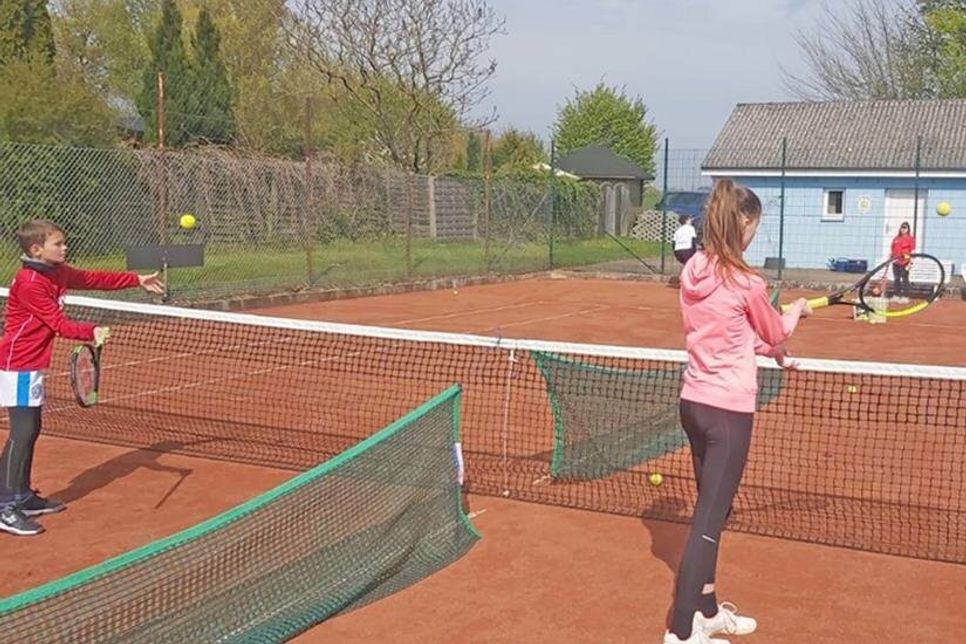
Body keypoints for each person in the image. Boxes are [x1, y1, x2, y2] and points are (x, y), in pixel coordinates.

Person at [666, 180, 810, 644]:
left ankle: (706, 610)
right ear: (743, 224)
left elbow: (733, 334)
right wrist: (796, 313)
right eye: (755, 227)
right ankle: (682, 632)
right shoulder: (749, 283)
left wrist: (772, 351)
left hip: (694, 404)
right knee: (708, 522)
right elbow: (775, 326)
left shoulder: (693, 273)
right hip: (728, 415)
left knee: (716, 511)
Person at [0, 219, 164, 536]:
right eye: (58, 244)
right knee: (22, 432)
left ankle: (22, 496)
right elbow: (57, 324)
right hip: (17, 364)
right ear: (37, 249)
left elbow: (92, 278)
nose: (64, 247)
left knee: (32, 428)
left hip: (33, 363)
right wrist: (92, 331)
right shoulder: (30, 281)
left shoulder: (57, 271)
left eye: (63, 242)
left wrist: (137, 279)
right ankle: (5, 505)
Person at [890, 221, 915, 302]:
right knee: (896, 279)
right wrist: (891, 258)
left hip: (905, 262)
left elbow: (912, 251)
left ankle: (905, 296)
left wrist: (910, 262)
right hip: (895, 262)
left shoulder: (910, 239)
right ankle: (896, 295)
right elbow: (892, 249)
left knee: (905, 279)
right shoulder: (896, 238)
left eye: (905, 228)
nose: (903, 229)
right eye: (902, 227)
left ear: (908, 229)